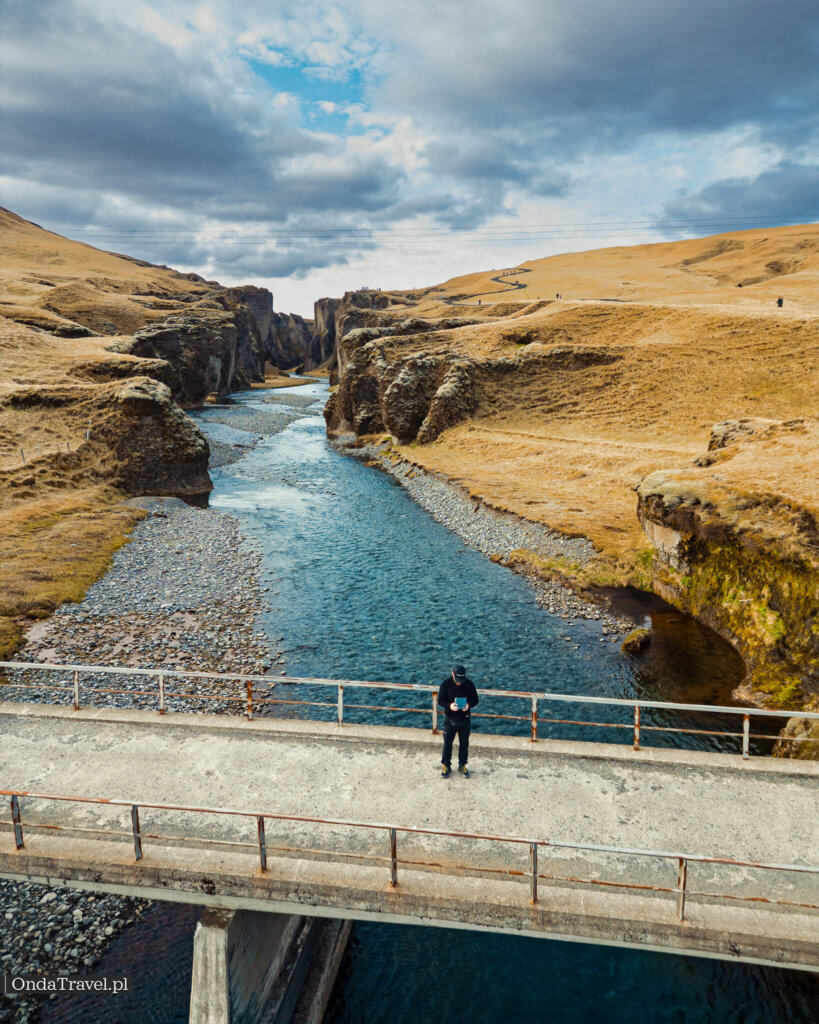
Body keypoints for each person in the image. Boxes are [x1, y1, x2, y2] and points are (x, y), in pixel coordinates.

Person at [437, 665, 479, 778]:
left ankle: (462, 765)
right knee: (447, 744)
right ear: (452, 674)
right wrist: (449, 705)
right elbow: (440, 700)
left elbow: (476, 699)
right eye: (457, 680)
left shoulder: (469, 684)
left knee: (464, 744)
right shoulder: (446, 684)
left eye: (461, 680)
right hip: (450, 719)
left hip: (464, 720)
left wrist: (468, 705)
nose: (459, 683)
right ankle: (446, 765)